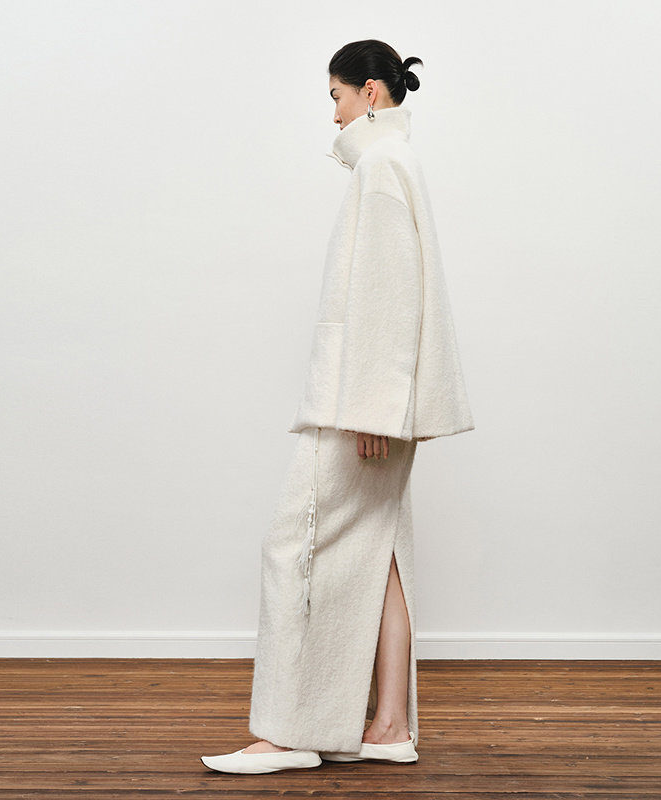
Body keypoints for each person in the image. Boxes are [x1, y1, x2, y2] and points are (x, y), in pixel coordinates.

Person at [201, 39, 474, 774]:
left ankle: (286, 733)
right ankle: (389, 727)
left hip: (362, 406)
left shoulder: (381, 168)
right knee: (382, 551)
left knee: (296, 545)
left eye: (337, 96)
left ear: (371, 92)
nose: (334, 113)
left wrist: (371, 408)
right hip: (375, 402)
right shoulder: (396, 163)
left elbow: (389, 292)